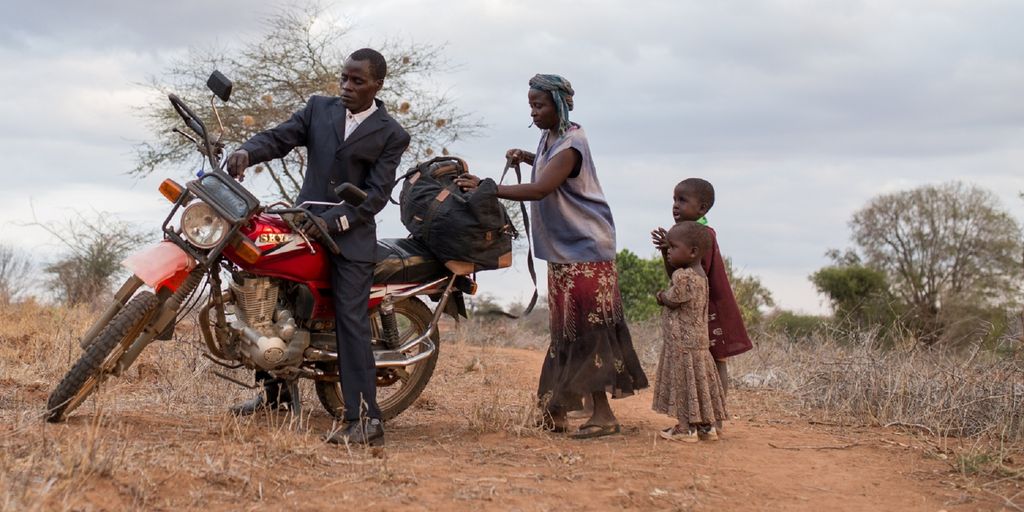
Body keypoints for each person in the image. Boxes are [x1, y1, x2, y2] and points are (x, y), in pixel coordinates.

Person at [225, 48, 410, 447]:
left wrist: (335, 220)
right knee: (272, 297)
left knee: (350, 320)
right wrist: (247, 151)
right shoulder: (318, 109)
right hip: (303, 224)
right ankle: (275, 397)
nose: (346, 87)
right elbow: (279, 137)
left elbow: (376, 196)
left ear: (377, 85)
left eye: (357, 81)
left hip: (350, 237)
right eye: (344, 78)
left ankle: (366, 420)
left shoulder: (392, 133)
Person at [455, 74, 648, 439]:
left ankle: (602, 415)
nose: (533, 112)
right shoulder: (551, 138)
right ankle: (565, 408)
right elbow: (547, 170)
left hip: (586, 249)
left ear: (559, 104)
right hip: (566, 250)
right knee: (569, 330)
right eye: (531, 105)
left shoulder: (572, 143)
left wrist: (490, 189)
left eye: (539, 105)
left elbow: (543, 188)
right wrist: (528, 156)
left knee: (587, 331)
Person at [651, 178, 753, 410]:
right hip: (699, 307)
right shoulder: (687, 234)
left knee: (716, 359)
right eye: (674, 200)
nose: (675, 205)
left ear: (702, 208)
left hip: (712, 306)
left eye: (683, 200)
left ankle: (715, 415)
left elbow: (691, 277)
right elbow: (676, 274)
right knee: (707, 361)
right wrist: (666, 249)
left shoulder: (703, 235)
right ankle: (706, 415)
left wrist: (666, 296)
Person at [652, 221, 727, 442]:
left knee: (684, 385)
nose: (668, 252)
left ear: (693, 252)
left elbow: (674, 300)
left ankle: (685, 429)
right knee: (700, 386)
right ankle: (706, 427)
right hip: (699, 343)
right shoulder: (702, 276)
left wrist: (661, 297)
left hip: (683, 344)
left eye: (673, 247)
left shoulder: (684, 277)